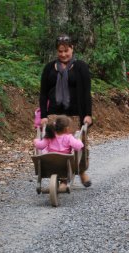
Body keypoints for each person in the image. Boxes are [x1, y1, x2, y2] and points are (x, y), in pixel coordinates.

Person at [38, 34, 93, 187]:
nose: (63, 54)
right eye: (60, 51)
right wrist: (43, 115)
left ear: (72, 48)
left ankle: (81, 171)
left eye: (66, 51)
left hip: (74, 113)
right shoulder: (49, 68)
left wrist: (88, 114)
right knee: (56, 146)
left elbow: (86, 92)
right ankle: (62, 177)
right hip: (54, 114)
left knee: (77, 144)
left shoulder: (81, 66)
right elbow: (43, 93)